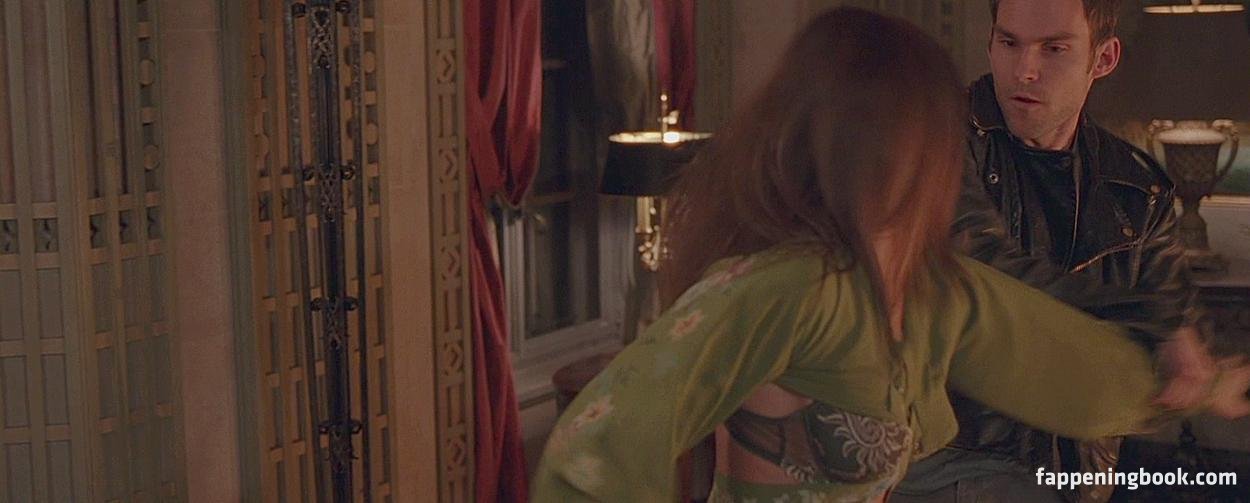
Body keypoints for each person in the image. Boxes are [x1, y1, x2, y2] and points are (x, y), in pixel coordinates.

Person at [529, 8, 1249, 502]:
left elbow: (1065, 372)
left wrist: (1194, 380)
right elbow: (594, 452)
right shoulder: (783, 286)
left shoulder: (936, 288)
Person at [895, 1, 1250, 501]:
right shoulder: (936, 133)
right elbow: (987, 270)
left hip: (1079, 471)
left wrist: (1199, 373)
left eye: (1054, 49)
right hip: (955, 455)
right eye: (1009, 43)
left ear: (1103, 59)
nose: (1025, 70)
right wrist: (1158, 324)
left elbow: (1178, 333)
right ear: (990, 43)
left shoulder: (1137, 188)